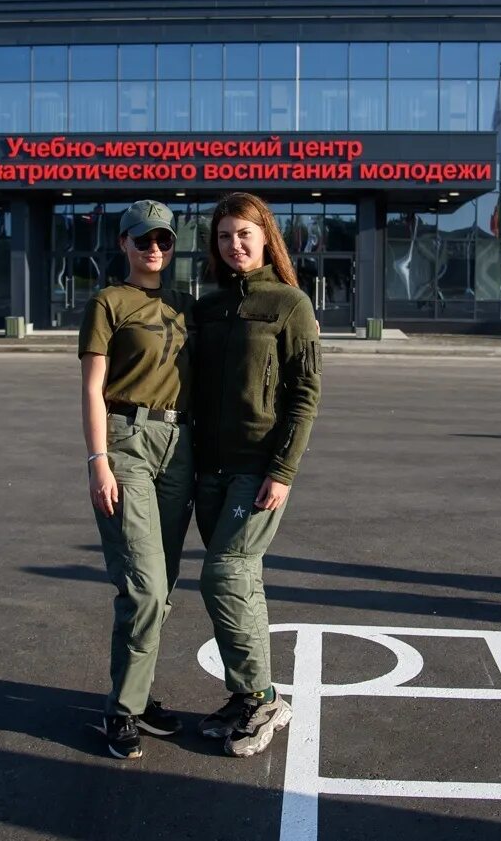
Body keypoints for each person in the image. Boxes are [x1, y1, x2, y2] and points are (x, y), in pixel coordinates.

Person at [193, 191, 321, 759]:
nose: (234, 244)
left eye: (244, 233)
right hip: (209, 470)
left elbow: (305, 395)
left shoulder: (290, 305)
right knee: (244, 582)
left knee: (223, 574)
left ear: (265, 237)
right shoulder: (208, 307)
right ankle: (247, 697)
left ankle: (262, 695)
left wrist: (283, 470)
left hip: (256, 469)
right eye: (224, 236)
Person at [78, 199, 195, 759]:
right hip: (127, 440)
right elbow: (93, 388)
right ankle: (122, 711)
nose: (155, 249)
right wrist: (97, 459)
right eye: (143, 239)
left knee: (163, 587)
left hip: (179, 445)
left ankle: (139, 694)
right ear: (123, 243)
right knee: (143, 587)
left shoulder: (186, 304)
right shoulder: (109, 302)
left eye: (164, 241)